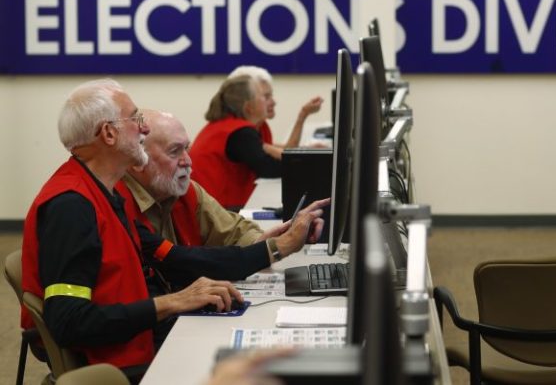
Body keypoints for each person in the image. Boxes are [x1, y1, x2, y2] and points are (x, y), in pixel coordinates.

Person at [20, 78, 328, 381]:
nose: (143, 128)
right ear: (109, 134)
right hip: (123, 365)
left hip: (140, 343)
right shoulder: (72, 206)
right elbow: (69, 321)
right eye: (135, 119)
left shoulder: (103, 192)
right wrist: (172, 302)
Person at [118, 109, 290, 247]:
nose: (187, 161)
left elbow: (234, 231)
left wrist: (265, 244)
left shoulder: (186, 191)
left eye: (186, 149)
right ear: (137, 160)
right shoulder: (115, 207)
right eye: (174, 151)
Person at [189, 75, 281, 211]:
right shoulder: (240, 133)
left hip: (210, 204)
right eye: (264, 97)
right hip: (217, 209)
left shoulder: (225, 125)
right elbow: (268, 168)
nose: (271, 102)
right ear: (249, 107)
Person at [228, 66, 323, 159]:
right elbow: (287, 157)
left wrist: (306, 149)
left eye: (271, 96)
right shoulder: (240, 134)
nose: (273, 102)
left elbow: (285, 150)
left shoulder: (260, 125)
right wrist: (303, 114)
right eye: (266, 97)